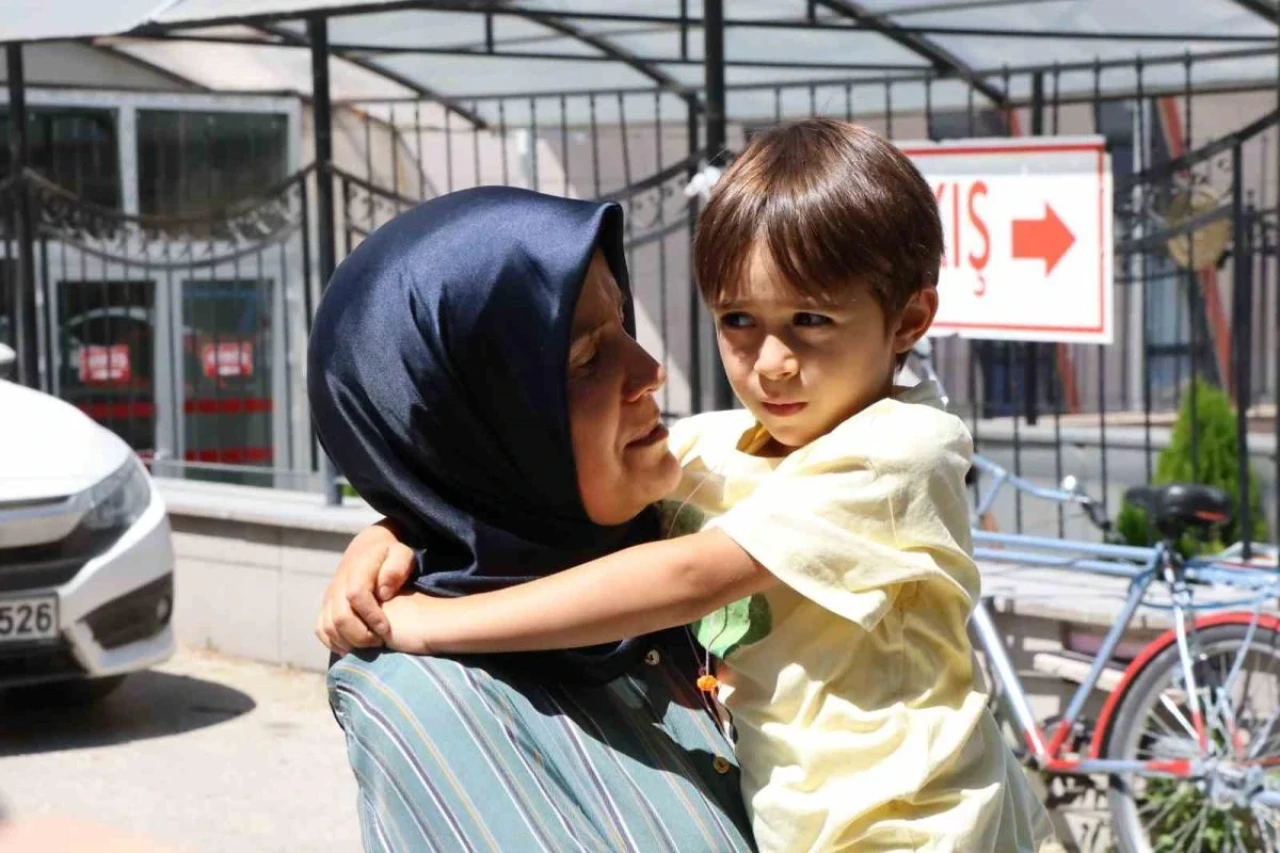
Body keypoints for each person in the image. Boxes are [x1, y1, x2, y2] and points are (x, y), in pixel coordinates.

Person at [321, 119, 1058, 852]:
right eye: (737, 319)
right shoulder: (432, 705)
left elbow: (687, 574)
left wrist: (432, 620)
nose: (770, 363)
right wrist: (398, 526)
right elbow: (490, 484)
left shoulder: (898, 450)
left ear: (911, 320)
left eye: (810, 320)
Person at [307, 185, 755, 852]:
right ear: (480, 438)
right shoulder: (436, 700)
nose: (649, 370)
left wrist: (395, 529)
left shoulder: (708, 522)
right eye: (583, 359)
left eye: (624, 324)